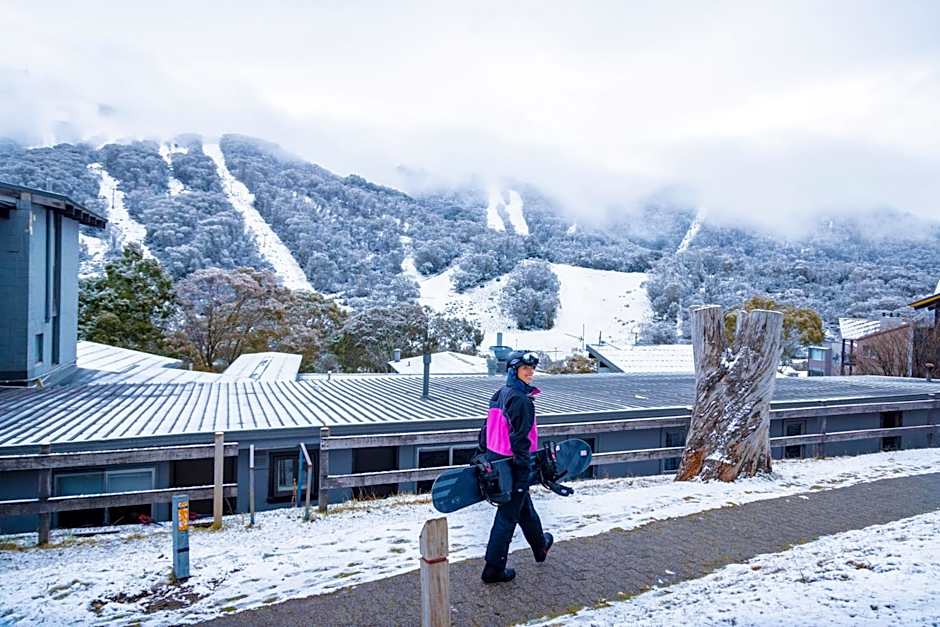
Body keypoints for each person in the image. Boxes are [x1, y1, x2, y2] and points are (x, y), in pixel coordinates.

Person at [476, 350, 553, 584]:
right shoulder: (521, 400)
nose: (530, 372)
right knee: (507, 518)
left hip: (497, 462)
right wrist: (523, 473)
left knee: (523, 509)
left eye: (532, 369)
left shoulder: (499, 394)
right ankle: (493, 569)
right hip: (513, 466)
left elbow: (485, 430)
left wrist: (482, 454)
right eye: (525, 369)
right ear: (513, 371)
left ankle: (540, 546)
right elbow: (521, 440)